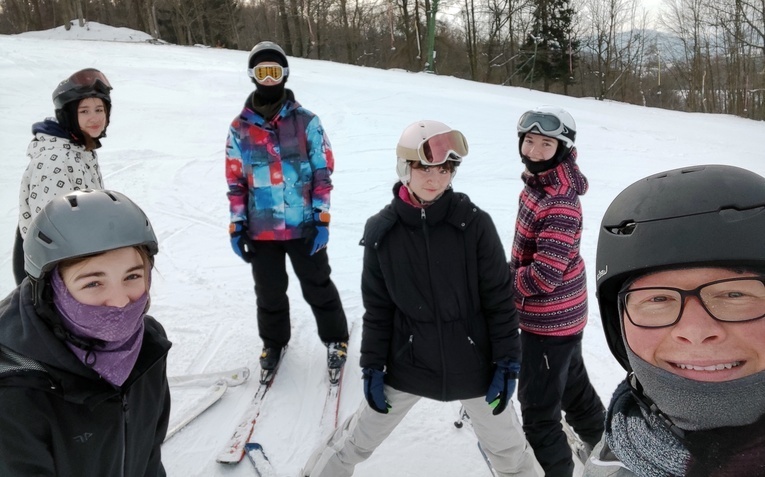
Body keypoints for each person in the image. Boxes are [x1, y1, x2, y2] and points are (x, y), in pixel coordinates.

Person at [301, 120, 543, 477]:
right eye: (425, 168)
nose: (436, 178)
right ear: (405, 168)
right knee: (356, 442)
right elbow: (379, 310)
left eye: (444, 169)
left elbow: (499, 301)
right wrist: (372, 366)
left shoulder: (474, 225)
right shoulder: (383, 232)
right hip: (408, 363)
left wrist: (507, 363)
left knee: (510, 453)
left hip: (473, 364)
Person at [586, 164, 765, 476]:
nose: (696, 332)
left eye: (734, 295)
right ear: (619, 325)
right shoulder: (608, 467)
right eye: (657, 299)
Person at [0, 189, 171, 476]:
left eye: (132, 276)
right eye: (93, 283)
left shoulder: (147, 346)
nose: (119, 302)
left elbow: (150, 454)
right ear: (52, 288)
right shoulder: (15, 386)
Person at [225, 40, 349, 383]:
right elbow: (236, 181)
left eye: (274, 71)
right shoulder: (240, 128)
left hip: (304, 225)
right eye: (262, 72)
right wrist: (237, 225)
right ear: (252, 76)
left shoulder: (306, 122)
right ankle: (274, 343)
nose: (268, 79)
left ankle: (336, 337)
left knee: (317, 284)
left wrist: (322, 219)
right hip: (261, 229)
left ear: (284, 74)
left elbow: (323, 173)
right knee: (269, 291)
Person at [509, 106, 605, 476]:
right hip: (561, 319)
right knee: (573, 390)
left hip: (548, 325)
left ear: (562, 148)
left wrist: (500, 285)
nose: (532, 151)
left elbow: (543, 278)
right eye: (528, 141)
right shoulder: (541, 184)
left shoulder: (560, 202)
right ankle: (609, 454)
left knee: (538, 415)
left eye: (545, 143)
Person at [13, 68, 113, 286]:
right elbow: (51, 232)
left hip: (77, 266)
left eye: (99, 109)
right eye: (84, 111)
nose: (95, 118)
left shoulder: (82, 150)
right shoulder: (55, 159)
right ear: (69, 115)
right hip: (51, 276)